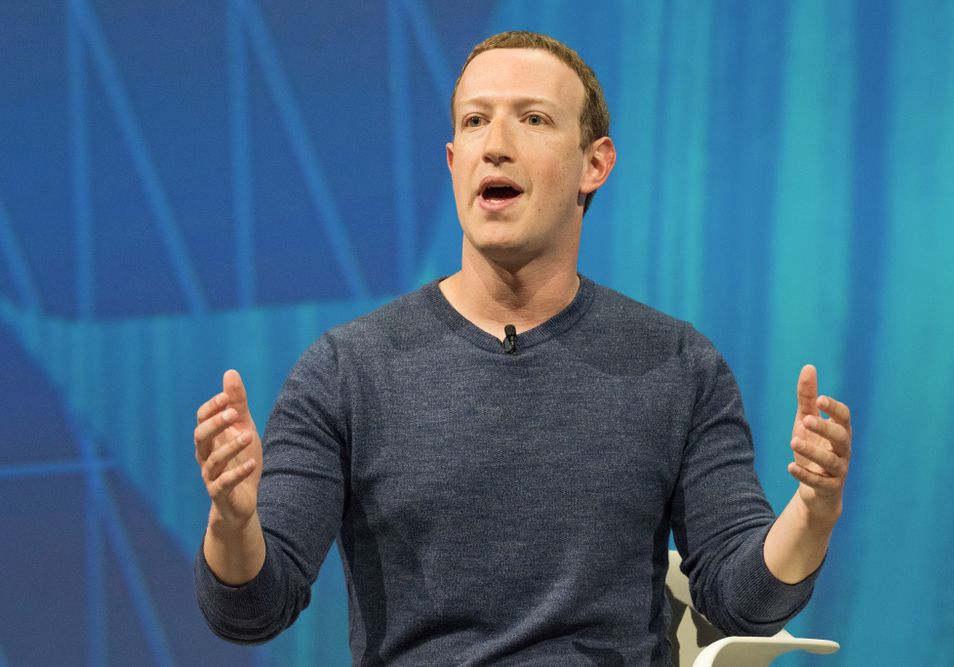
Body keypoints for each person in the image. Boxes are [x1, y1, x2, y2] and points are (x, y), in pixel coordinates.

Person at [193, 31, 852, 665]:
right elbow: (252, 609)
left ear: (594, 164)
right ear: (453, 164)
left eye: (532, 119)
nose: (496, 146)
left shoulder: (677, 365)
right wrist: (232, 521)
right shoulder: (347, 370)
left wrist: (811, 515)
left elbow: (741, 601)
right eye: (475, 122)